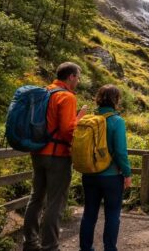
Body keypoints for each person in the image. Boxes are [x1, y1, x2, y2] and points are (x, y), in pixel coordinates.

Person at [23, 62, 87, 251]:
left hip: (38, 152)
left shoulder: (45, 92)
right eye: (78, 77)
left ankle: (30, 243)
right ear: (71, 77)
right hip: (57, 155)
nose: (78, 80)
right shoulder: (66, 97)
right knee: (55, 202)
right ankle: (50, 246)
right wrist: (80, 118)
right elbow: (68, 131)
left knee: (36, 198)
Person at [79, 85, 132, 251]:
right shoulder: (117, 121)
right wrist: (127, 173)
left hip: (89, 173)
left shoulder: (89, 119)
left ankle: (85, 248)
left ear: (99, 98)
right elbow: (121, 152)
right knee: (112, 215)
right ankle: (109, 248)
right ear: (116, 100)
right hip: (111, 176)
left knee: (89, 213)